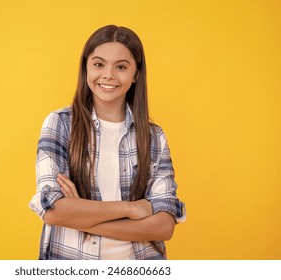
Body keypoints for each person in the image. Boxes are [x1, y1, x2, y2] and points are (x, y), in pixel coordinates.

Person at [29, 25, 186, 260]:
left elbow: (163, 227)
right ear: (85, 68)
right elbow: (53, 210)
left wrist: (81, 215)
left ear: (135, 74)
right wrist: (132, 209)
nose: (109, 75)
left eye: (121, 67)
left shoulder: (154, 137)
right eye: (99, 64)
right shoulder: (60, 124)